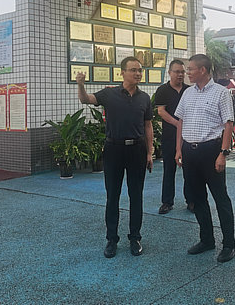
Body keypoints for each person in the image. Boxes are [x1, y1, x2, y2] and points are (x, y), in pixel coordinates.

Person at [76, 57, 153, 259]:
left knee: (136, 195)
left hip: (137, 150)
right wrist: (81, 85)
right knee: (113, 196)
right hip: (113, 149)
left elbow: (148, 125)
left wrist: (149, 152)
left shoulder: (145, 98)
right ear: (122, 72)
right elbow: (85, 100)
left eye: (140, 70)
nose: (137, 74)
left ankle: (135, 238)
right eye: (133, 70)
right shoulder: (109, 94)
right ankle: (112, 239)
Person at [174, 54, 235, 263]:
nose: (187, 73)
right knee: (197, 198)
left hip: (211, 151)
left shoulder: (221, 92)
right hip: (189, 151)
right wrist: (179, 149)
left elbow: (228, 124)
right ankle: (207, 239)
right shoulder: (187, 93)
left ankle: (229, 244)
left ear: (202, 70)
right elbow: (181, 121)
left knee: (220, 198)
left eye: (190, 69)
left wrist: (223, 153)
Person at [154, 59, 192, 214]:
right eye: (177, 72)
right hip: (169, 136)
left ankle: (191, 201)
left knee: (189, 170)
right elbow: (161, 111)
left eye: (182, 72)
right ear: (170, 73)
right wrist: (177, 124)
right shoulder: (162, 90)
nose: (180, 75)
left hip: (188, 137)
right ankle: (167, 202)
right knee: (169, 170)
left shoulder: (190, 90)